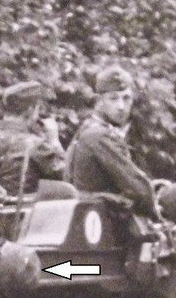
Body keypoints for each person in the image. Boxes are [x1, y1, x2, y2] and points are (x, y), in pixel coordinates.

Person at [65, 66, 158, 218]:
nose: (121, 107)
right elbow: (139, 189)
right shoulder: (100, 136)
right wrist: (158, 213)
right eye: (113, 98)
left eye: (126, 98)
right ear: (100, 101)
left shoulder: (88, 128)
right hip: (101, 221)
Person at [0, 81, 66, 196]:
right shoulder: (37, 146)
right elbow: (67, 177)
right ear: (31, 110)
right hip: (22, 212)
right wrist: (54, 141)